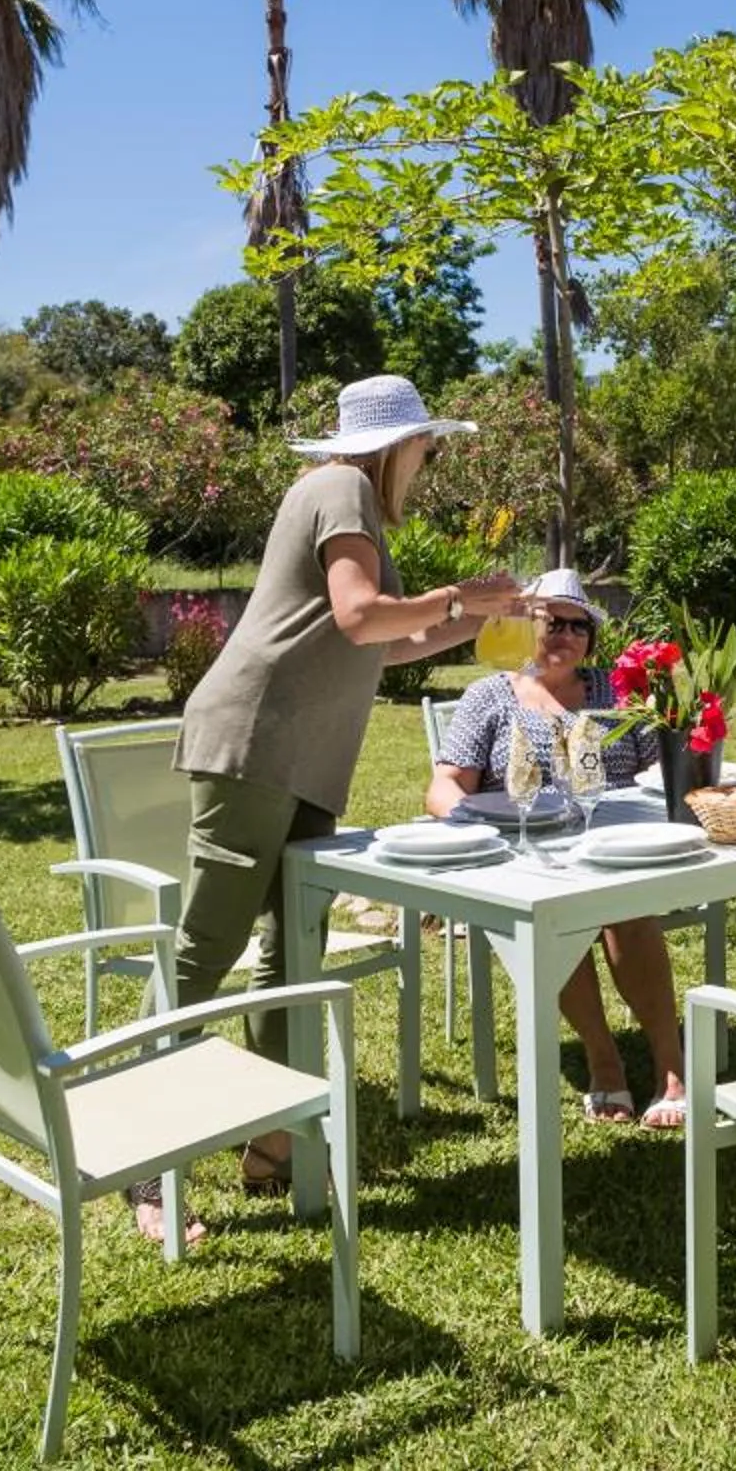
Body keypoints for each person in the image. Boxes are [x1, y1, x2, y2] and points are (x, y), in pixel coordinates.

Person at [160, 374, 524, 1236]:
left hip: (306, 759)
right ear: (397, 443)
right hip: (256, 742)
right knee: (206, 946)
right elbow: (361, 616)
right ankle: (147, 1157)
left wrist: (473, 623)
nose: (430, 462)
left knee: (295, 946)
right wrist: (458, 597)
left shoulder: (348, 498)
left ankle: (274, 1143)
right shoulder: (338, 485)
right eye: (428, 447)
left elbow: (368, 648)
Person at [425, 568, 690, 1129]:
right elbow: (444, 786)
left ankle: (671, 1067)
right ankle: (604, 1059)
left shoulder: (618, 693)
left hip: (618, 847)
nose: (566, 634)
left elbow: (659, 772)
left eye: (578, 625)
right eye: (552, 621)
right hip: (532, 855)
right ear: (526, 627)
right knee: (559, 915)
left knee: (627, 904)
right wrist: (476, 823)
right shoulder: (491, 697)